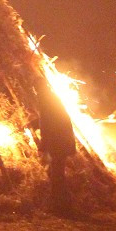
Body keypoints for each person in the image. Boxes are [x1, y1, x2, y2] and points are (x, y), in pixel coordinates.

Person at [31, 75, 77, 213]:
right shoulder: (50, 98)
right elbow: (49, 118)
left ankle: (61, 206)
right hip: (62, 141)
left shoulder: (45, 100)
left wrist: (42, 147)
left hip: (59, 142)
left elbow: (46, 125)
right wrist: (33, 123)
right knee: (56, 173)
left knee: (57, 175)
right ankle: (62, 204)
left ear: (38, 88)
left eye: (36, 88)